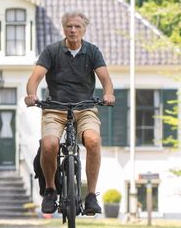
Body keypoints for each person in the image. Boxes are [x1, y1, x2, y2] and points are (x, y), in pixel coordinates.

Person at [24, 11, 115, 216]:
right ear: (64, 29)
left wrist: (108, 94)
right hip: (55, 108)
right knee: (49, 145)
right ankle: (50, 190)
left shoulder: (92, 51)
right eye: (69, 26)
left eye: (77, 26)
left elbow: (105, 79)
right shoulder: (52, 51)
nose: (73, 30)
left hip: (85, 108)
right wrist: (31, 94)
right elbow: (35, 78)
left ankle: (90, 195)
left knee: (93, 141)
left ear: (84, 29)